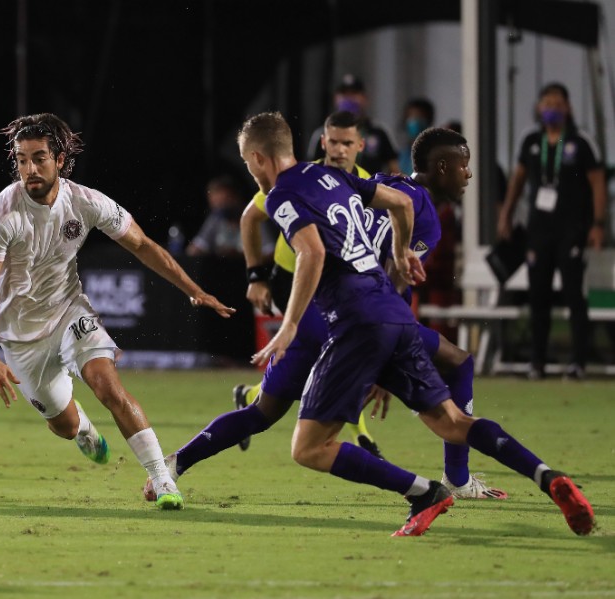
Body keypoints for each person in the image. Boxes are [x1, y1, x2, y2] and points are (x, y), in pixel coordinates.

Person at [207, 112, 594, 536]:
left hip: (354, 324)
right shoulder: (342, 180)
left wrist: (290, 323)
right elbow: (399, 212)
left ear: (259, 159)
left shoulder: (299, 191)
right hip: (392, 315)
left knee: (308, 447)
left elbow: (311, 253)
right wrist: (404, 248)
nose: (467, 174)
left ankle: (425, 492)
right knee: (452, 421)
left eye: (247, 163)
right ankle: (547, 476)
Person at [158, 125, 508, 501]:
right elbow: (394, 279)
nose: (468, 175)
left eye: (348, 143)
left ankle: (173, 465)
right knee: (459, 363)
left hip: (313, 308)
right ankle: (454, 479)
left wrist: (260, 278)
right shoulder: (409, 208)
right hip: (352, 316)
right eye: (464, 166)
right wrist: (388, 345)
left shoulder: (361, 181)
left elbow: (262, 218)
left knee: (263, 412)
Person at [0, 112, 235, 511]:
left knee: (107, 385)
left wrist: (194, 290)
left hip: (68, 309)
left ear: (60, 160)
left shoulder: (86, 202)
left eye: (39, 157)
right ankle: (83, 430)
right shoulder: (0, 215)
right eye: (22, 160)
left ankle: (163, 481)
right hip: (19, 336)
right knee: (63, 424)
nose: (30, 169)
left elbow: (143, 246)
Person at [232, 110, 381, 456]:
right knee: (338, 346)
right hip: (292, 279)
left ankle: (252, 397)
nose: (340, 149)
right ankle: (360, 435)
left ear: (360, 145)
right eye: (334, 141)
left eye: (348, 143)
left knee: (326, 352)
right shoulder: (298, 177)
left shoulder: (363, 183)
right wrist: (255, 274)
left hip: (334, 283)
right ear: (323, 141)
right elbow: (250, 218)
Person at [497, 82, 607, 381]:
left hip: (572, 230)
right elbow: (517, 181)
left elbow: (598, 183)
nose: (552, 109)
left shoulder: (581, 141)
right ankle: (537, 361)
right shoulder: (531, 140)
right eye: (547, 103)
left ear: (568, 108)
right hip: (538, 231)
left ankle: (579, 361)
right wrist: (506, 214)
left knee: (573, 295)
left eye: (558, 103)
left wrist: (598, 224)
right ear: (538, 108)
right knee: (538, 296)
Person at [305, 74, 399, 174]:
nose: (348, 98)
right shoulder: (322, 133)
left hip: (370, 188)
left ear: (364, 98)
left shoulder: (379, 132)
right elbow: (311, 170)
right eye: (344, 94)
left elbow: (394, 170)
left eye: (354, 93)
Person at [185, 175, 247, 257]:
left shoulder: (252, 217)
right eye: (216, 204)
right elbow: (193, 250)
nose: (221, 207)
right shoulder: (215, 219)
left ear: (236, 198)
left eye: (224, 201)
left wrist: (239, 255)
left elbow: (268, 252)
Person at [397, 98, 434, 175]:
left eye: (419, 117)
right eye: (411, 117)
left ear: (429, 121)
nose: (415, 122)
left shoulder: (435, 154)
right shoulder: (401, 155)